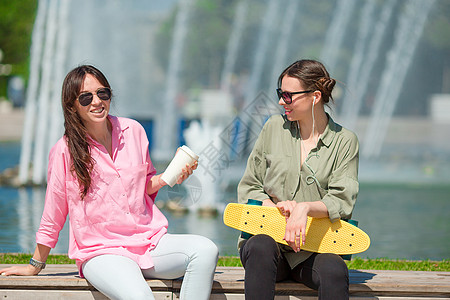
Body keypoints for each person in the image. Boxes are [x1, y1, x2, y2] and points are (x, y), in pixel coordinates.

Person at [0, 65, 219, 300]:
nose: (96, 101)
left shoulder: (134, 131)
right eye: (85, 97)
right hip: (101, 252)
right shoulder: (64, 150)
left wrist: (169, 177)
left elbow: (142, 186)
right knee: (141, 298)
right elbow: (53, 214)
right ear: (72, 105)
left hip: (149, 242)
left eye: (102, 93)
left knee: (206, 250)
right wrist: (35, 264)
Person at [237, 59, 359, 300]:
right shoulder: (273, 128)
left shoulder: (345, 141)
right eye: (280, 94)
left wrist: (304, 208)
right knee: (260, 247)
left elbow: (342, 200)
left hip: (316, 248)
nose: (282, 101)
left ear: (315, 96)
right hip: (269, 241)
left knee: (334, 270)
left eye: (288, 95)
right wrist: (276, 208)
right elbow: (250, 186)